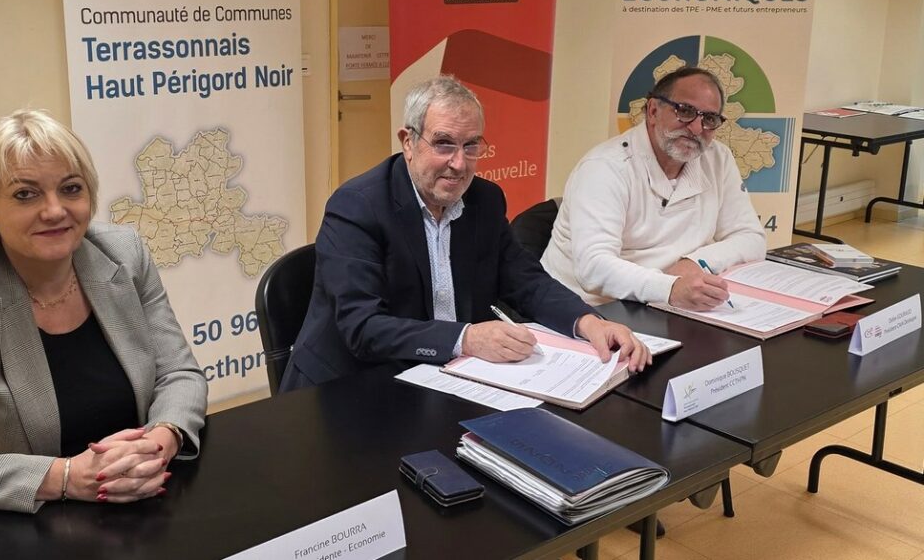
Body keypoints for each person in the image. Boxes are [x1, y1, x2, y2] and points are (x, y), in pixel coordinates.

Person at [0, 110, 207, 512]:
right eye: (25, 194)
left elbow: (180, 374)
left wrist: (157, 443)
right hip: (22, 524)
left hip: (141, 498)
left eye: (71, 188)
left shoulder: (124, 254)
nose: (55, 210)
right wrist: (66, 477)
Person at [280, 76, 650, 392]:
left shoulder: (484, 200)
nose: (459, 164)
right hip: (351, 387)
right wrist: (466, 339)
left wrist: (589, 322)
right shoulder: (358, 206)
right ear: (408, 142)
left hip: (447, 377)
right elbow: (363, 328)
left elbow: (526, 281)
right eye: (443, 143)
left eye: (471, 145)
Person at [542, 67, 766, 311]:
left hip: (666, 304)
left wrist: (693, 263)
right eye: (685, 111)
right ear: (653, 111)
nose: (696, 128)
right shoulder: (604, 167)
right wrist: (670, 287)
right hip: (589, 310)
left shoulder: (717, 159)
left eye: (709, 119)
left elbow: (751, 238)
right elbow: (593, 268)